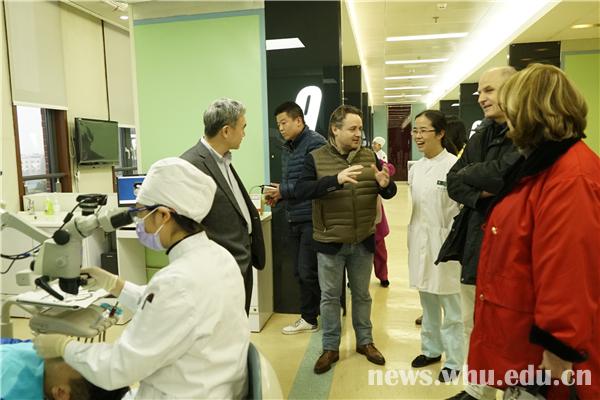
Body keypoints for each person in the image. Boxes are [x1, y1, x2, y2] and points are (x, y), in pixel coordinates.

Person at [33, 157, 250, 399]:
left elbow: (117, 369)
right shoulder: (220, 257)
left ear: (164, 215)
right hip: (211, 383)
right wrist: (113, 284)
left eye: (142, 213)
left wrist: (64, 347)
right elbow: (170, 312)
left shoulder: (177, 283)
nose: (140, 223)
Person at [468, 64, 600, 400]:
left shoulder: (571, 177)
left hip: (550, 360)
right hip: (522, 338)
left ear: (530, 110)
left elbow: (568, 269)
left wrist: (558, 345)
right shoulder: (540, 166)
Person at [295, 105, 397, 374]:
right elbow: (302, 190)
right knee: (330, 297)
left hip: (363, 239)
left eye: (360, 128)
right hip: (330, 241)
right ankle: (330, 347)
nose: (358, 133)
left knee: (362, 295)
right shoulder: (315, 158)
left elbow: (386, 191)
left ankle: (365, 342)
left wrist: (386, 185)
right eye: (352, 128)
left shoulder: (369, 156)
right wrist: (335, 180)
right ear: (335, 129)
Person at [442, 66, 518, 400]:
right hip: (475, 242)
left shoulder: (528, 133)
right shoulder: (483, 132)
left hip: (509, 245)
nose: (482, 98)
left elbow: (506, 175)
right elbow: (454, 179)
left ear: (514, 90)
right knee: (473, 323)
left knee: (509, 328)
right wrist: (481, 192)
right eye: (479, 92)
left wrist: (477, 177)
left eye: (490, 90)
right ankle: (477, 390)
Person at [181, 98, 265, 314]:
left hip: (240, 261)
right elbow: (187, 226)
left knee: (238, 323)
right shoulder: (191, 164)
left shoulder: (223, 160)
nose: (244, 134)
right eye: (243, 127)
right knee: (222, 327)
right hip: (219, 270)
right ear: (226, 131)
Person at [407, 110, 464, 383]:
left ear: (440, 133)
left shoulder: (455, 166)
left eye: (423, 130)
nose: (418, 136)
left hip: (447, 245)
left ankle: (454, 360)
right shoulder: (416, 168)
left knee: (452, 308)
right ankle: (430, 350)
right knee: (427, 300)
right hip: (420, 242)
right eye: (415, 130)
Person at [264, 101, 326, 335]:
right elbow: (293, 182)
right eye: (278, 124)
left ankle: (315, 317)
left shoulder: (316, 143)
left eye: (284, 123)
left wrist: (284, 191)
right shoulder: (288, 147)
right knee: (300, 271)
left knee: (308, 271)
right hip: (294, 216)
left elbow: (316, 184)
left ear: (298, 120)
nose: (280, 128)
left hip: (311, 217)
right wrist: (279, 196)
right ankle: (310, 317)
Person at [1, 341, 129, 400]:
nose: (74, 351)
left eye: (79, 362)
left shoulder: (8, 388)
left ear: (61, 392)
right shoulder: (44, 356)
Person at [371, 137, 396, 288]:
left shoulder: (374, 158)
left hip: (374, 214)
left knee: (379, 249)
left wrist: (384, 171)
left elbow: (390, 168)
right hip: (355, 217)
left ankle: (383, 276)